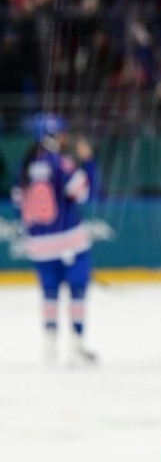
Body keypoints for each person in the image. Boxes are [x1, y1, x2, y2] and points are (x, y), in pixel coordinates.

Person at [11, 113, 98, 366]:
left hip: (40, 246)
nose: (63, 138)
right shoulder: (61, 163)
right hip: (68, 241)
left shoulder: (24, 166)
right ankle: (76, 344)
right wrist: (89, 162)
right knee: (77, 292)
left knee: (49, 294)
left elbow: (19, 205)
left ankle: (49, 344)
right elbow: (82, 193)